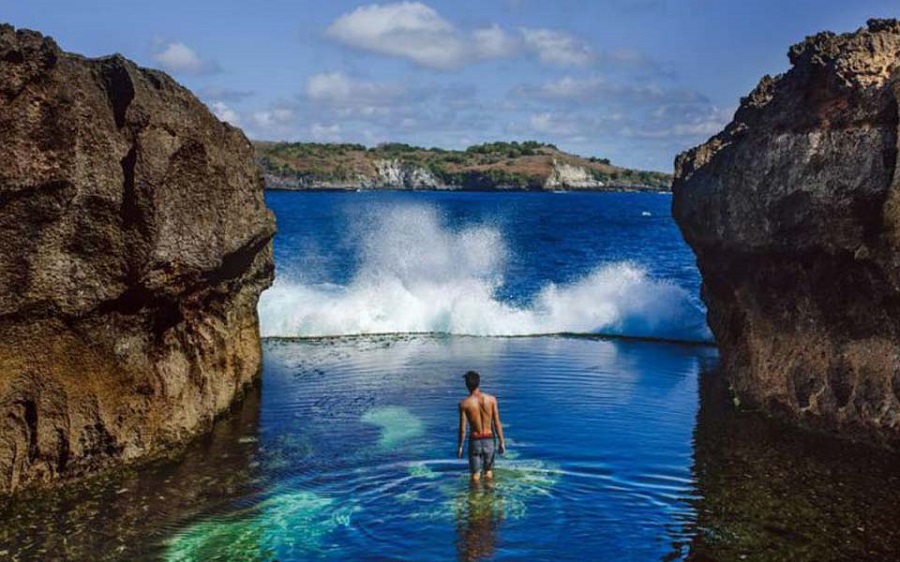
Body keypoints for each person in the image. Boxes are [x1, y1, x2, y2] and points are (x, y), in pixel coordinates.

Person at [457, 370, 506, 481]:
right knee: (488, 471)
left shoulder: (464, 404)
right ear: (479, 383)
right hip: (489, 439)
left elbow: (463, 429)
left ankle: (474, 492)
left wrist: (460, 446)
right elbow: (497, 423)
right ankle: (489, 492)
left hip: (475, 440)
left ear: (466, 385)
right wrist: (502, 442)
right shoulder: (492, 400)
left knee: (475, 474)